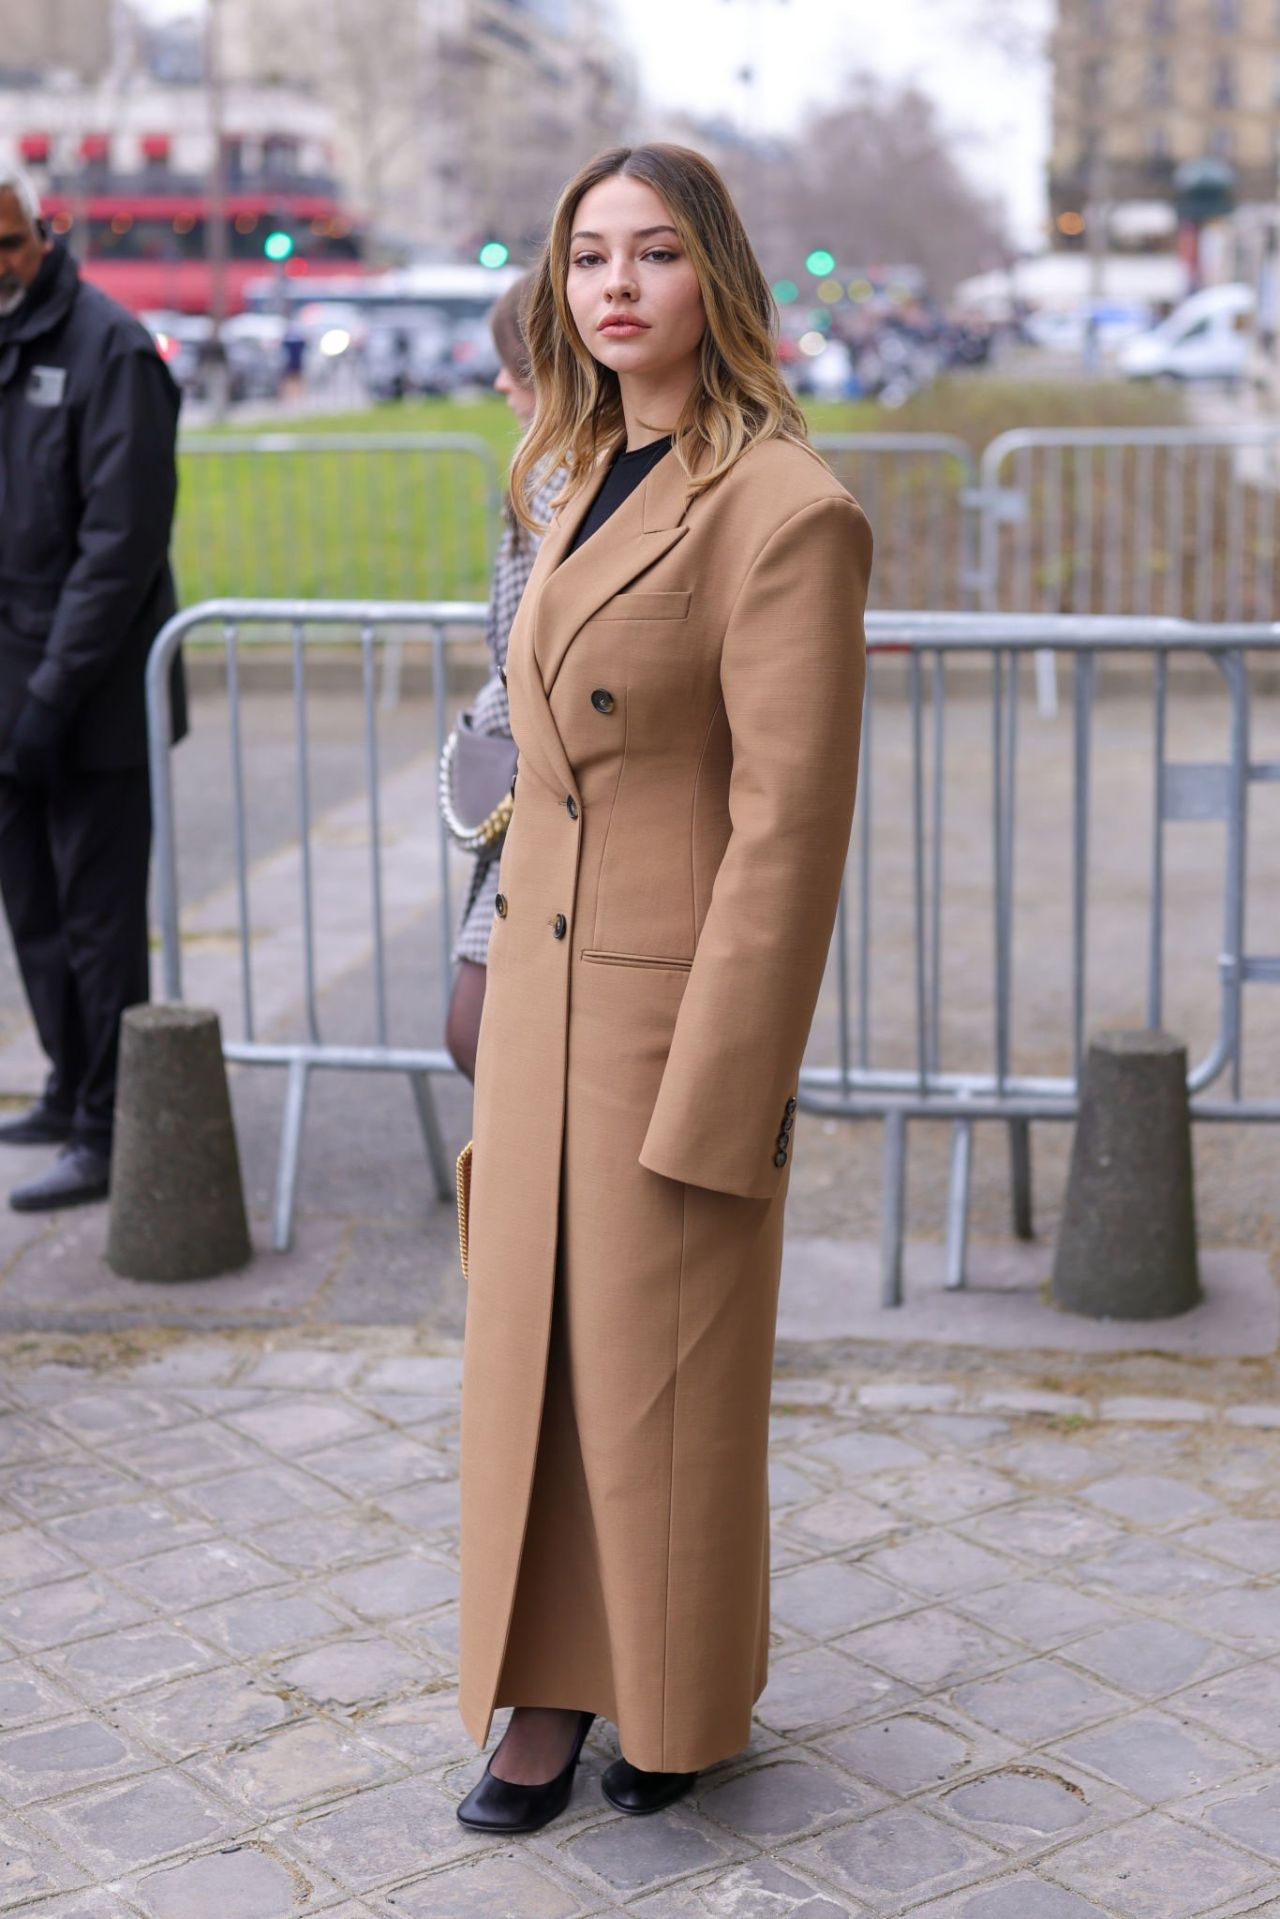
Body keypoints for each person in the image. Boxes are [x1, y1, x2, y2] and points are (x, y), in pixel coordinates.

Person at [455, 143, 873, 1832]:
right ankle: (543, 1688)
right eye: (585, 258)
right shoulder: (567, 469)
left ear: (717, 277)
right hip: (541, 995)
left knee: (662, 1372)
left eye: (652, 254)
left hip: (667, 1005)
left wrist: (724, 1084)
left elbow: (791, 831)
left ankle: (682, 1697)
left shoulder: (786, 505)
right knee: (533, 1359)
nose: (613, 285)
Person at [0, 168, 185, 1210]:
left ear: (39, 231)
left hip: (93, 694)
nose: (1, 267)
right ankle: (69, 1088)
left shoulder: (109, 349)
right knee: (31, 906)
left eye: (9, 244)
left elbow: (118, 548)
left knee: (97, 918)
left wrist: (51, 696)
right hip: (12, 682)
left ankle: (111, 1128)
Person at [445, 274, 566, 1082]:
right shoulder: (552, 472)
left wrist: (478, 734)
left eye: (513, 367)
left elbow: (523, 654)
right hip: (544, 787)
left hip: (545, 792)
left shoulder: (548, 480)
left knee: (481, 1030)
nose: (500, 385)